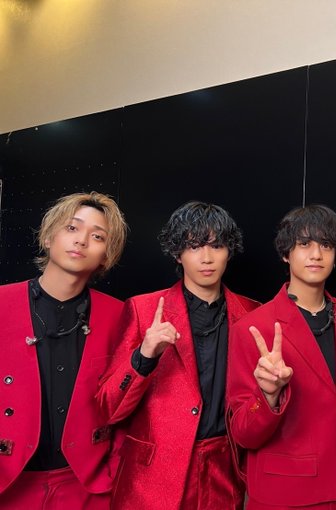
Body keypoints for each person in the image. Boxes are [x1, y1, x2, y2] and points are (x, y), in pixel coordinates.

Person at [96, 201, 258, 510]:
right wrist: (144, 356)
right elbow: (108, 409)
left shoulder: (252, 313)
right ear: (177, 253)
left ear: (229, 251)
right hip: (153, 478)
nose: (207, 257)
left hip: (224, 475)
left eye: (217, 246)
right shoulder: (143, 309)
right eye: (194, 246)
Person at [227, 204, 336, 509]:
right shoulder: (252, 327)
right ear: (286, 254)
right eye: (304, 244)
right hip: (286, 490)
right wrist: (268, 395)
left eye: (326, 245)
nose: (316, 254)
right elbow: (242, 434)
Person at [0, 192, 128, 509]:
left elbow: (125, 404)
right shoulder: (3, 303)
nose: (81, 241)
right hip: (10, 481)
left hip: (86, 486)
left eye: (97, 236)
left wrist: (113, 472)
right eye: (72, 228)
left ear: (106, 255)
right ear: (48, 237)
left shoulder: (118, 316)